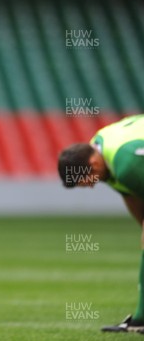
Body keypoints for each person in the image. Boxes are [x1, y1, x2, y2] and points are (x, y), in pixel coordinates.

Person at [58, 114, 144, 333]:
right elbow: (129, 194)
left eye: (87, 180)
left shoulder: (127, 163)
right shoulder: (100, 152)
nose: (91, 186)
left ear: (93, 164)